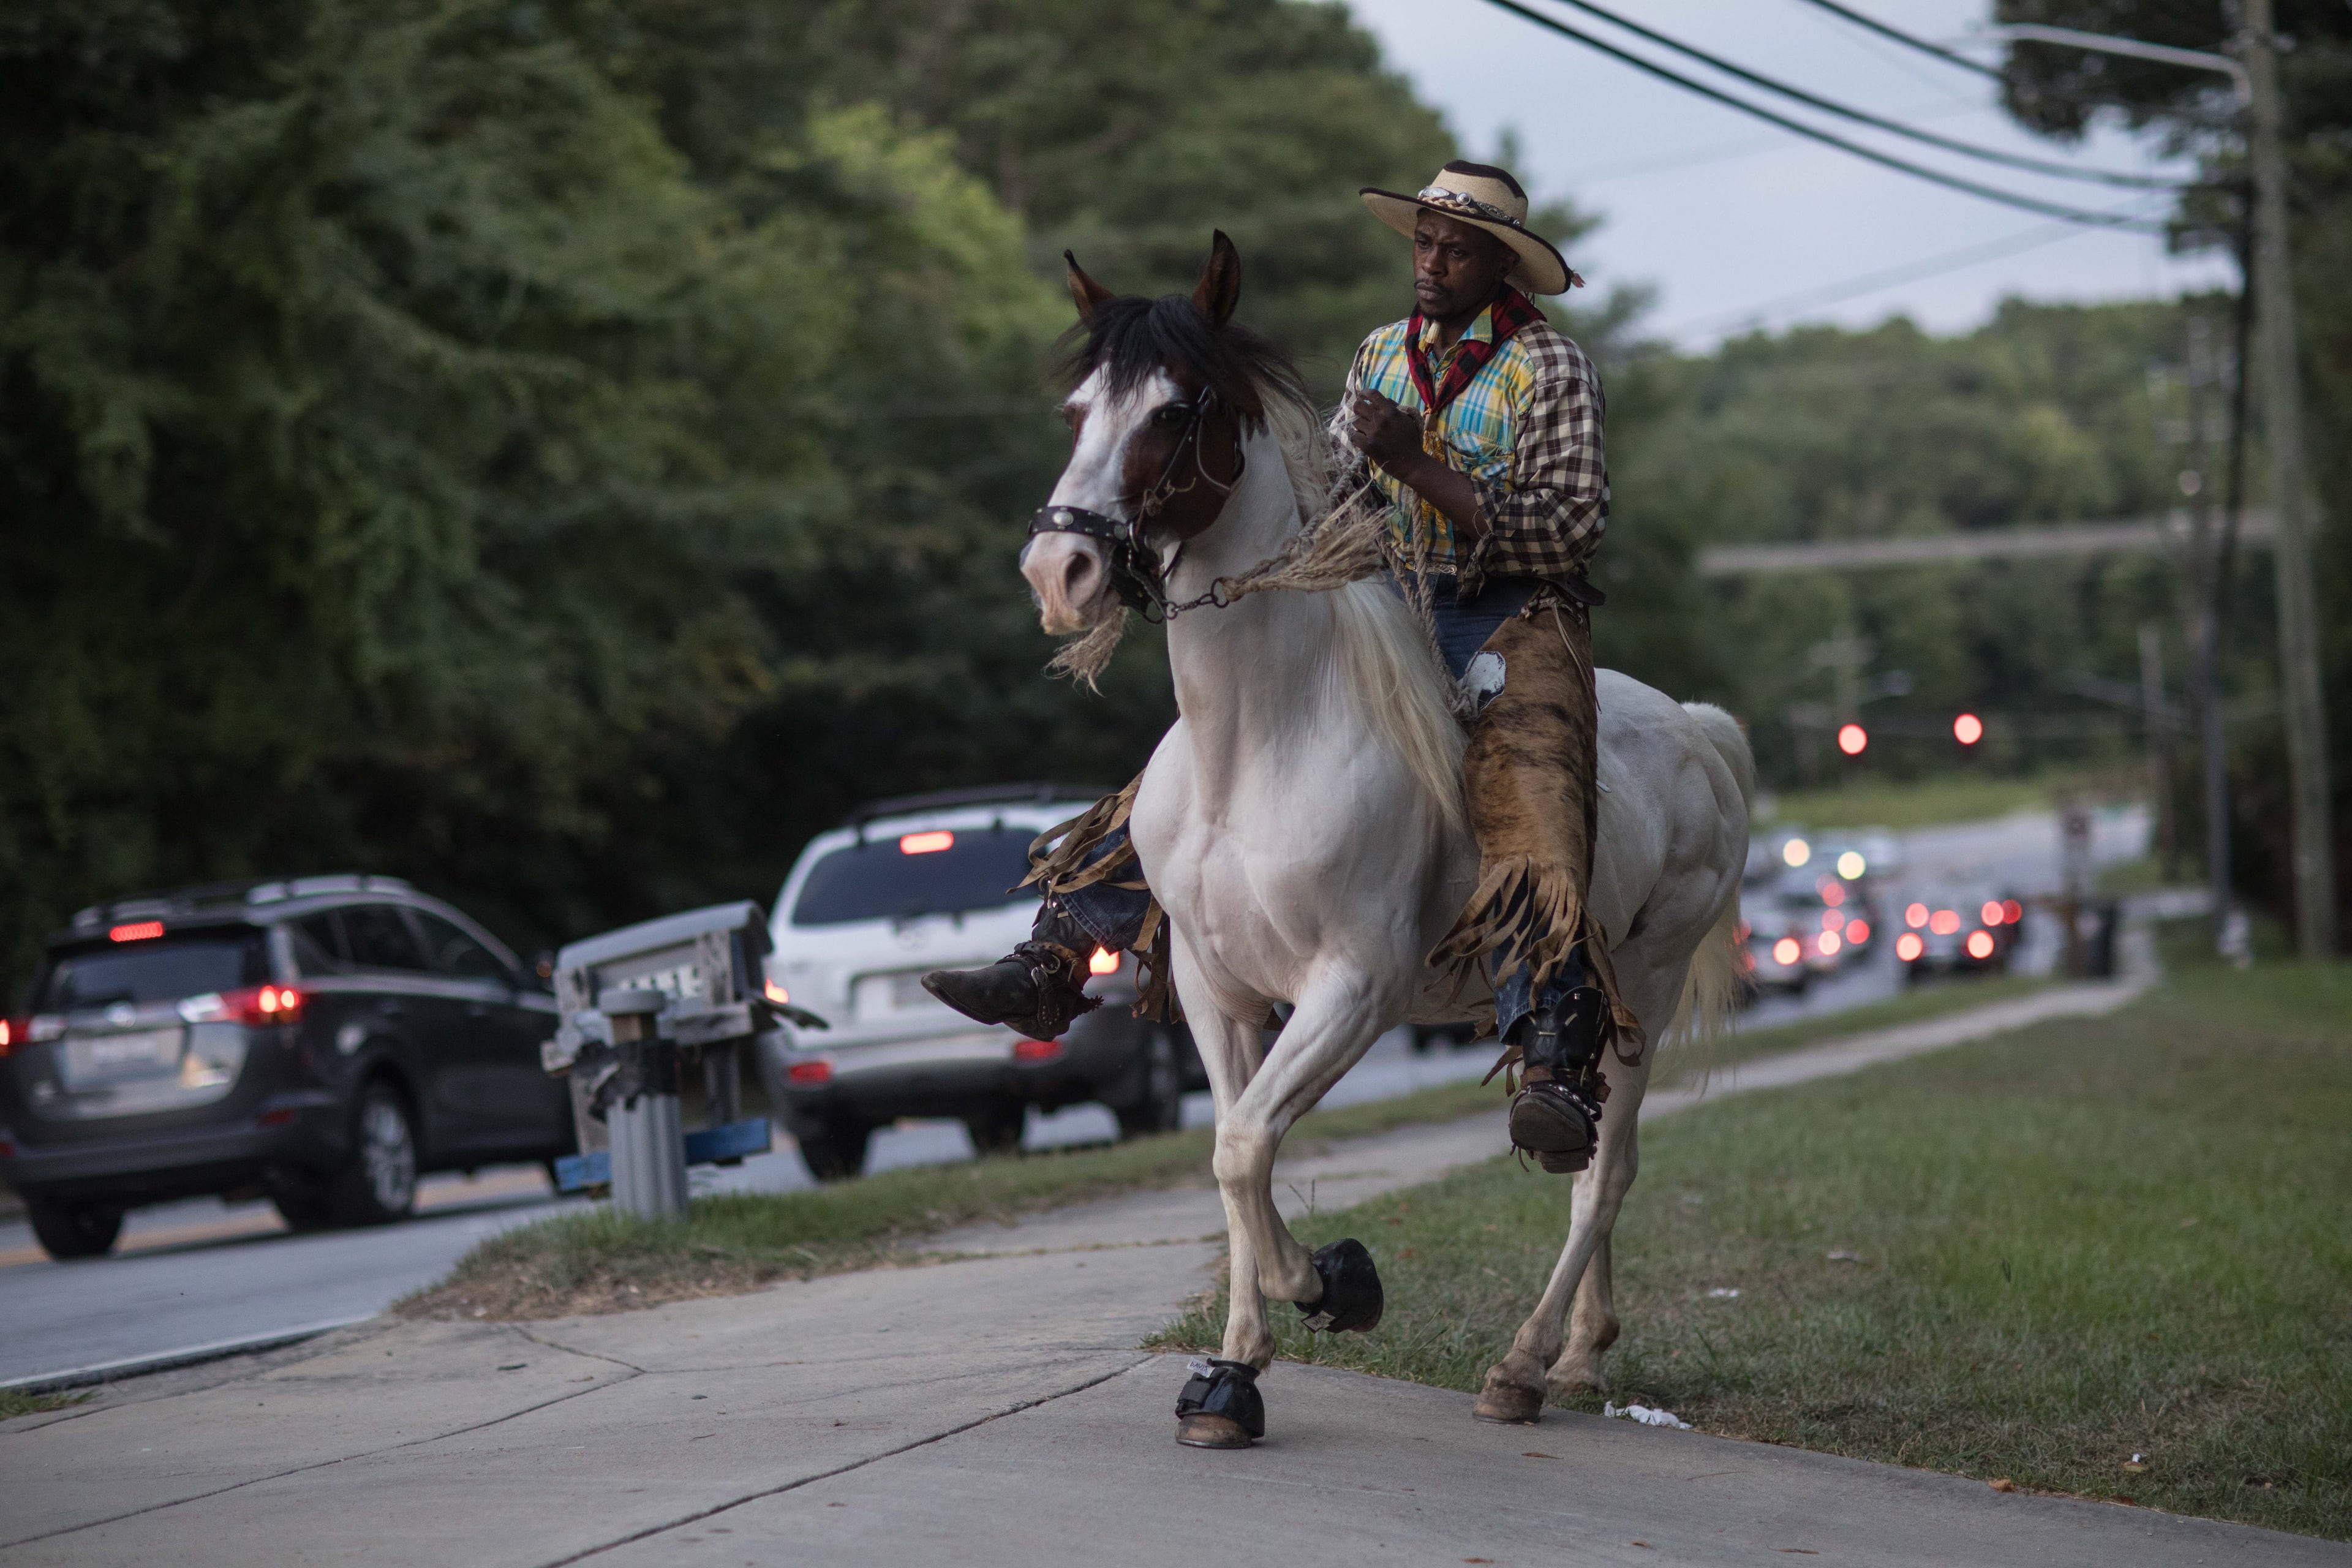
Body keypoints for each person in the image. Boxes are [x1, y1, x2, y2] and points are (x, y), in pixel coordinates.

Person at [925, 161, 1635, 1173]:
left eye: (1456, 248)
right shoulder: (1382, 353)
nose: (1431, 263)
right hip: (1386, 596)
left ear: (1501, 265)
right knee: (1210, 754)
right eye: (1424, 243)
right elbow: (1333, 487)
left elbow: (1570, 525)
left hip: (1514, 613)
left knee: (1531, 779)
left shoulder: (1548, 367)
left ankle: (1557, 1047)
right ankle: (1062, 944)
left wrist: (1417, 468)